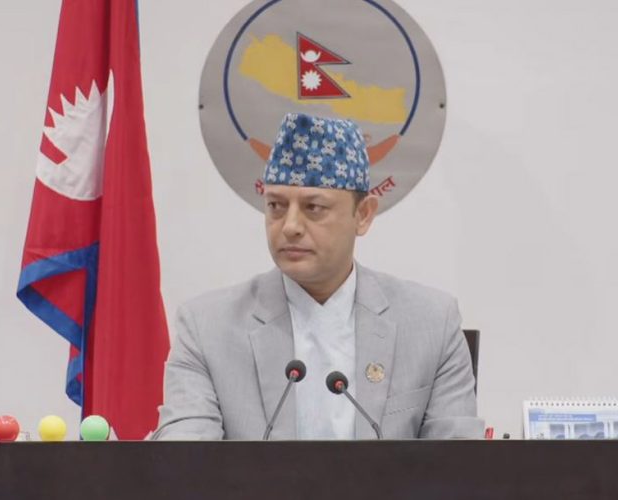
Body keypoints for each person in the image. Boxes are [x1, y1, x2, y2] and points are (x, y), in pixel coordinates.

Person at [153, 112, 482, 440]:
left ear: (363, 215)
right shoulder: (207, 329)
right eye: (276, 206)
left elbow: (459, 461)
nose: (290, 227)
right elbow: (183, 460)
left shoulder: (432, 324)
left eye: (313, 208)